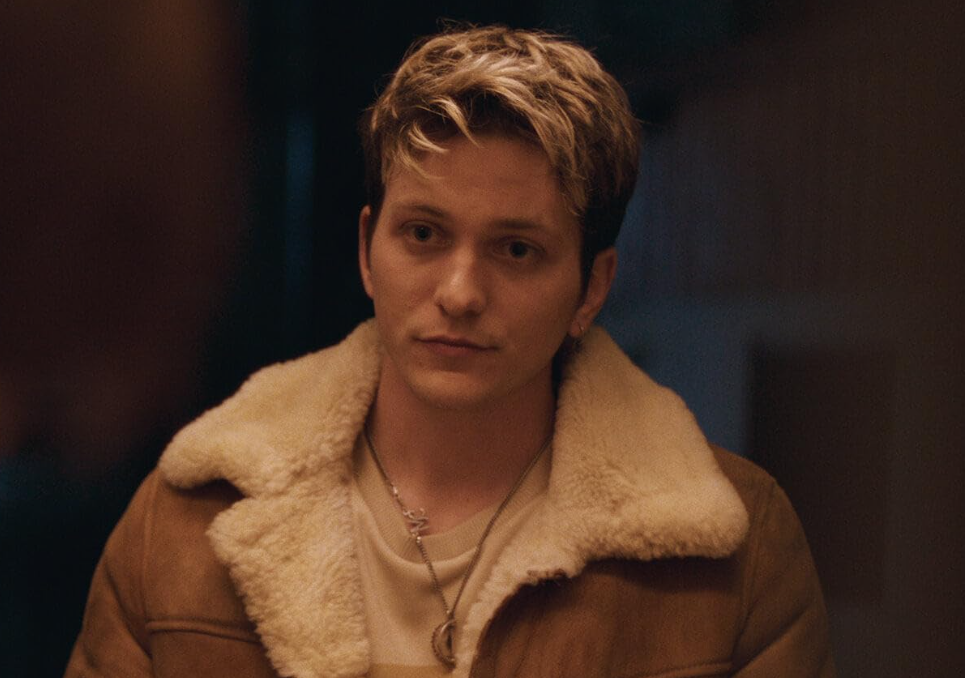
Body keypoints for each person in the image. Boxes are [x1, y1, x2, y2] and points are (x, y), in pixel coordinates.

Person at [65, 25, 835, 678]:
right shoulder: (183, 523)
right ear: (367, 250)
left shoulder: (736, 555)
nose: (460, 292)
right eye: (423, 234)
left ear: (591, 288)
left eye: (516, 249)